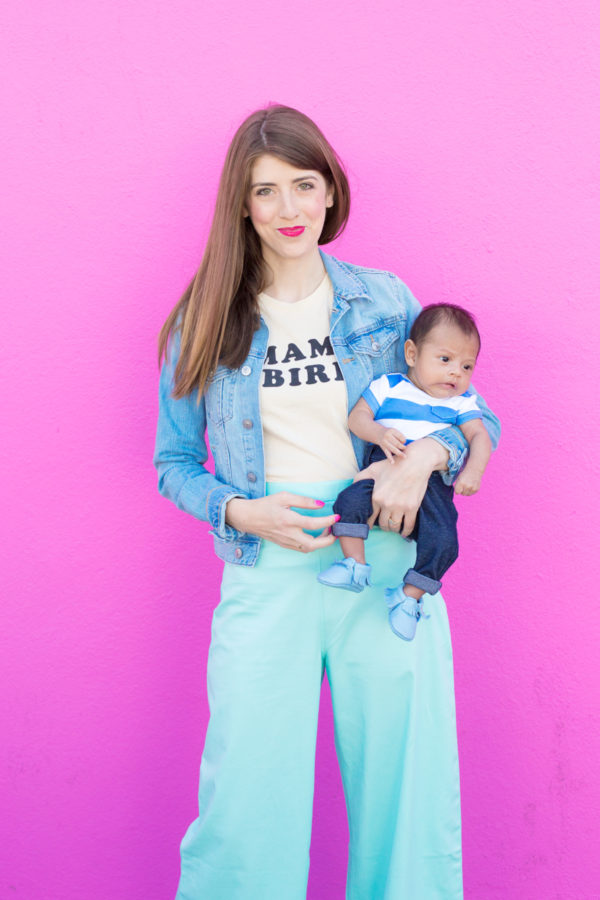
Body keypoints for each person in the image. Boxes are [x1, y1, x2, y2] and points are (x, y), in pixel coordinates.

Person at [154, 104, 500, 900]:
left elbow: (474, 410)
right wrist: (242, 512)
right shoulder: (203, 322)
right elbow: (173, 464)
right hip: (267, 565)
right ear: (241, 206)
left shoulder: (385, 303)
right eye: (265, 191)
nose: (287, 210)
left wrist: (427, 458)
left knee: (405, 792)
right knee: (245, 798)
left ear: (331, 193)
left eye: (303, 186)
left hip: (387, 564)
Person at [317, 303, 492, 641]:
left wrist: (474, 471)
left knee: (445, 543)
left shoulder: (461, 403)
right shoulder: (389, 386)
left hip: (434, 488)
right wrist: (380, 434)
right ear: (412, 354)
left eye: (467, 365)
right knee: (349, 500)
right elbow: (358, 419)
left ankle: (408, 597)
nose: (456, 372)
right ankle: (355, 565)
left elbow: (479, 436)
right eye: (445, 360)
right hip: (381, 470)